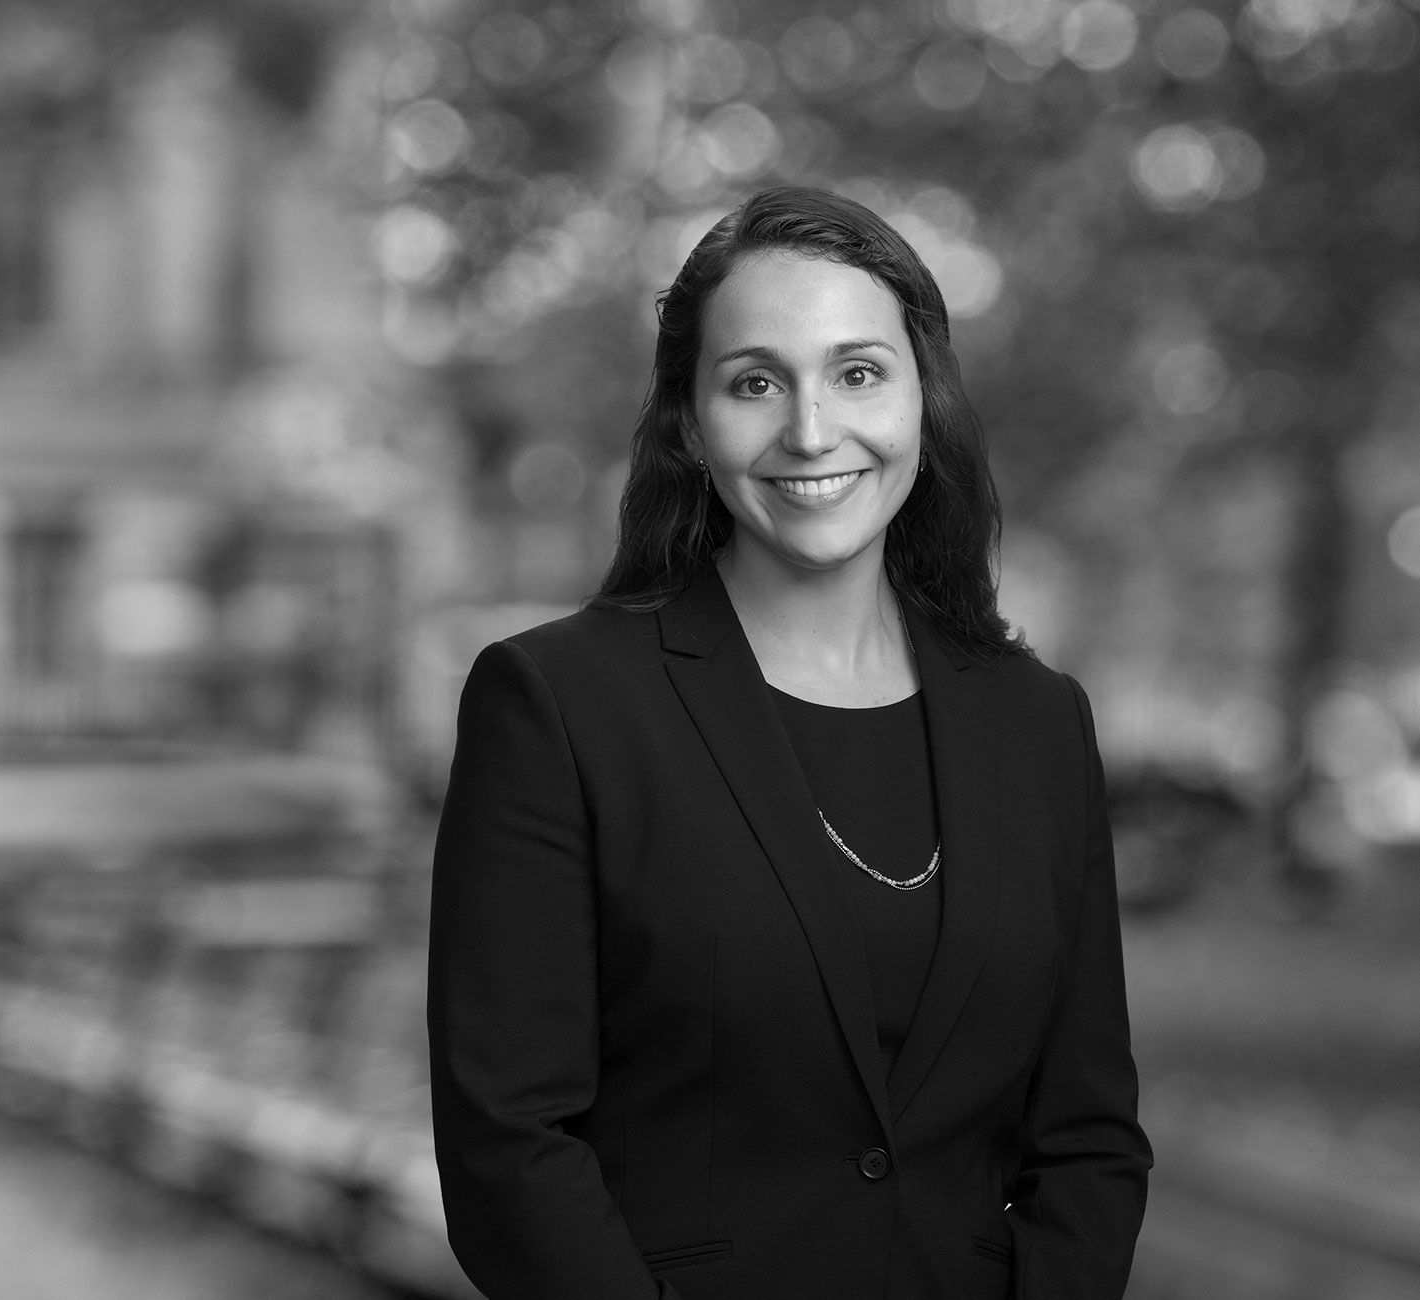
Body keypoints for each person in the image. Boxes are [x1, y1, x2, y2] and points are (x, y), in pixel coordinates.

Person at [427, 186, 1152, 1300]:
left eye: (857, 373)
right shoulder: (557, 704)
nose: (811, 431)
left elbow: (1088, 1139)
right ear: (688, 421)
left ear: (924, 402)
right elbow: (506, 1141)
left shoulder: (1038, 723)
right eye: (755, 382)